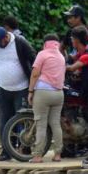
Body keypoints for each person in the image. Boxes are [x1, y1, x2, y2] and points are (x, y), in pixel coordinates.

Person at [0, 26, 36, 161]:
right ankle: (7, 150)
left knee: (23, 119)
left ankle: (25, 148)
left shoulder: (20, 43)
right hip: (2, 88)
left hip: (22, 88)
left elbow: (34, 58)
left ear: (6, 37)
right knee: (4, 120)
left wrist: (34, 84)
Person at [27, 34, 66, 163]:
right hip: (59, 94)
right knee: (55, 124)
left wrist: (31, 90)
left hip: (43, 93)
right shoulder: (61, 56)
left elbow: (35, 73)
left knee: (41, 125)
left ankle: (38, 156)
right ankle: (58, 154)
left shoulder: (42, 54)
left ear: (45, 43)